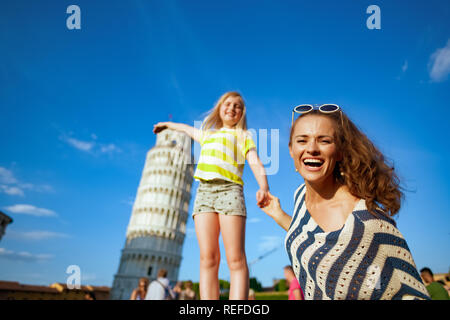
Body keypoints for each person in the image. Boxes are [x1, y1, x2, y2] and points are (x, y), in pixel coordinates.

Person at [260, 104, 430, 300]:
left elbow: (408, 290)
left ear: (339, 151)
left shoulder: (367, 222)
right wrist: (278, 214)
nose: (312, 148)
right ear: (291, 149)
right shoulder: (300, 195)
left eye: (324, 141)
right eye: (302, 140)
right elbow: (312, 236)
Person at [153, 92, 269, 300]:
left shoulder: (243, 136)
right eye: (228, 104)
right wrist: (167, 125)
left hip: (230, 191)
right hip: (204, 193)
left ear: (242, 114)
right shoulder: (208, 134)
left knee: (235, 259)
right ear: (219, 108)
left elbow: (255, 162)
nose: (232, 108)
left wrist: (264, 187)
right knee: (208, 258)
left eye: (238, 106)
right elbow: (187, 129)